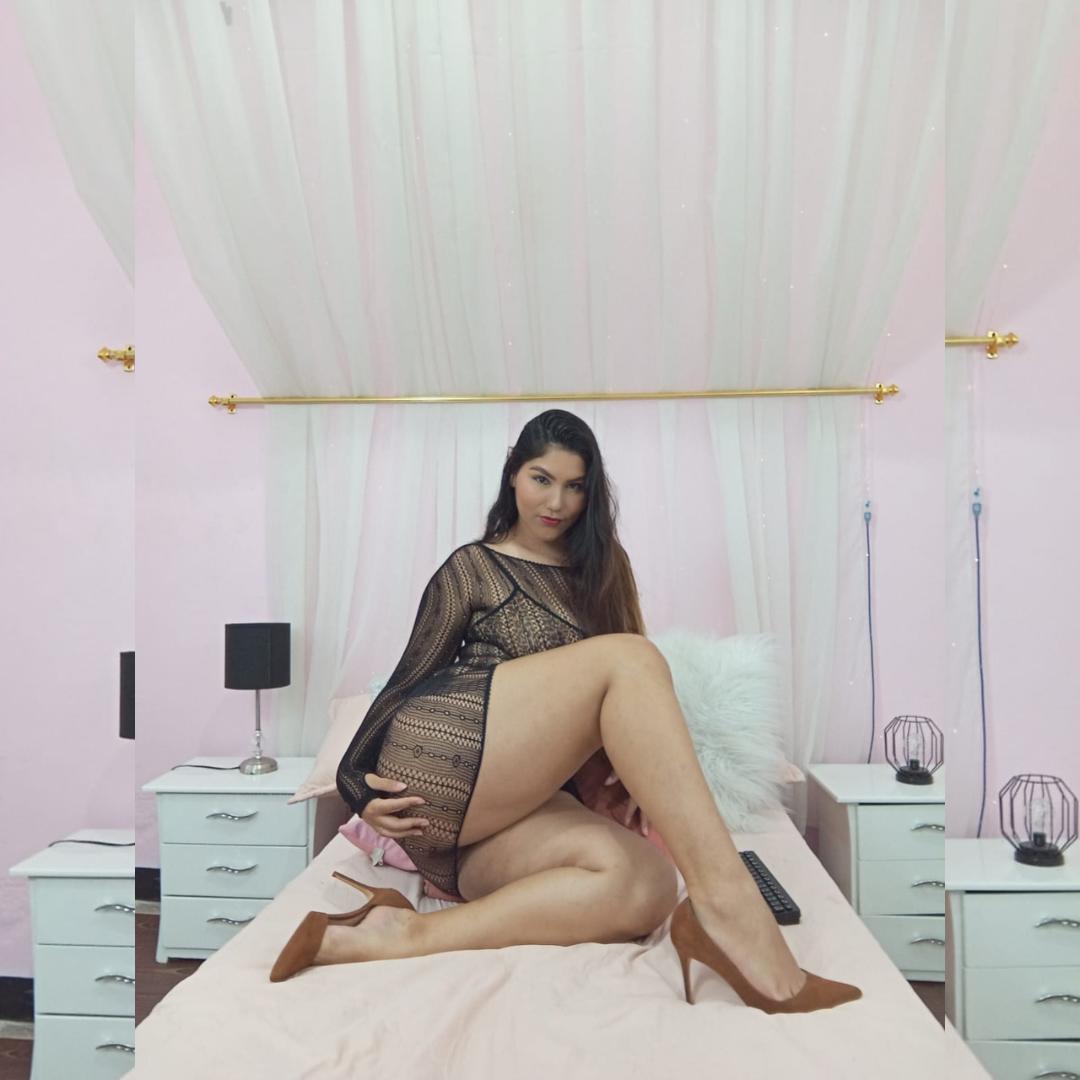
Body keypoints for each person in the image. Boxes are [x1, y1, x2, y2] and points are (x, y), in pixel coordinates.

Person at [271, 409, 860, 1013]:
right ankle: (731, 908)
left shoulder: (604, 572)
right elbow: (404, 684)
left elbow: (626, 711)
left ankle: (404, 932)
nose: (556, 502)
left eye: (575, 486)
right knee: (631, 657)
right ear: (513, 475)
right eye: (541, 479)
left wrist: (639, 777)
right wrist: (354, 785)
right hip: (442, 763)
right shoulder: (473, 567)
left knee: (648, 885)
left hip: (498, 819)